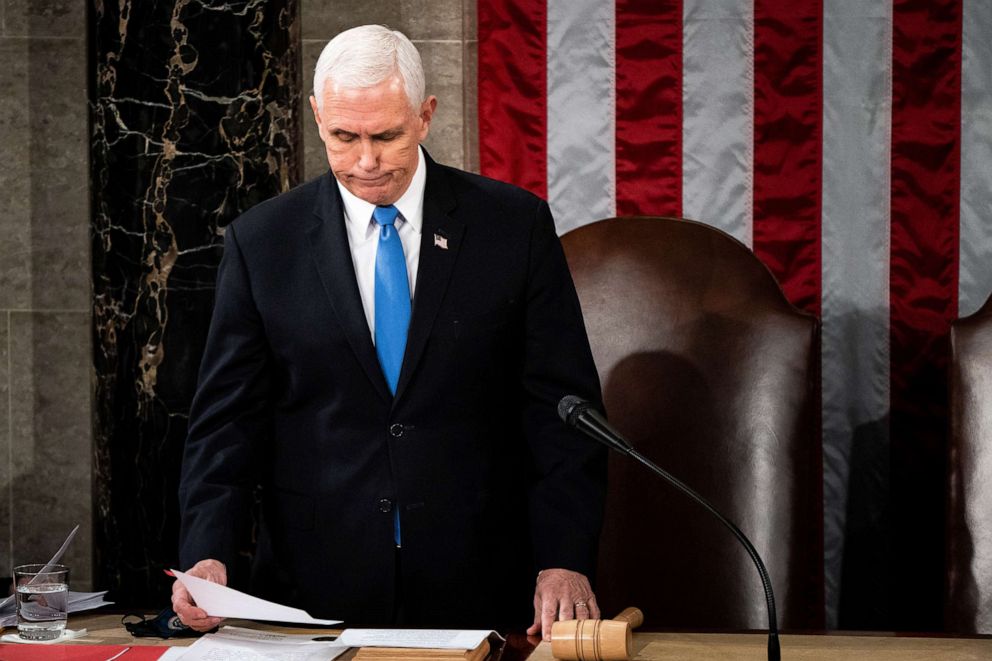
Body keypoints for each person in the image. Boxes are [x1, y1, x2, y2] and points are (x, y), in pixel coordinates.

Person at [173, 24, 606, 639]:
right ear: (318, 118)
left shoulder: (513, 227)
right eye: (344, 137)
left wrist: (564, 558)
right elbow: (226, 420)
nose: (366, 160)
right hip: (316, 587)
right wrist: (207, 552)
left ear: (425, 116)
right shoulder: (263, 241)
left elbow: (560, 411)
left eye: (386, 135)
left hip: (482, 580)